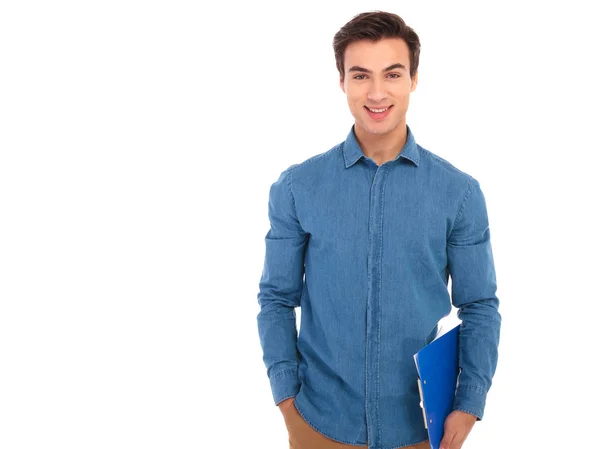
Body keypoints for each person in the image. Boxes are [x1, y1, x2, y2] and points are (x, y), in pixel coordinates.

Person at [256, 10, 501, 449]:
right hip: (317, 425)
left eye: (392, 74)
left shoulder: (459, 194)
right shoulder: (297, 187)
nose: (376, 92)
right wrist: (287, 402)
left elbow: (480, 305)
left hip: (420, 430)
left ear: (413, 79)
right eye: (360, 75)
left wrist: (468, 403)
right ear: (342, 82)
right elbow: (276, 298)